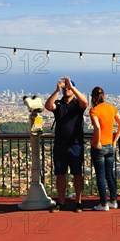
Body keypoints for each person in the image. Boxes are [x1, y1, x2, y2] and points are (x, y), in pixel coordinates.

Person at [45, 76, 88, 213]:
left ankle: (78, 201)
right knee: (60, 174)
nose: (66, 90)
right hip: (60, 144)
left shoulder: (77, 104)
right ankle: (61, 201)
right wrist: (57, 90)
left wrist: (72, 87)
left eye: (68, 88)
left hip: (75, 144)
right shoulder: (58, 104)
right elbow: (47, 106)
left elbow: (85, 102)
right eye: (65, 88)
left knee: (77, 174)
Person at [89, 86, 120, 211]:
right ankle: (113, 201)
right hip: (110, 146)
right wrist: (115, 140)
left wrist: (97, 141)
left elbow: (97, 127)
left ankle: (103, 204)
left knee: (100, 175)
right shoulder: (111, 108)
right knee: (109, 175)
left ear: (93, 97)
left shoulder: (94, 110)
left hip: (99, 147)